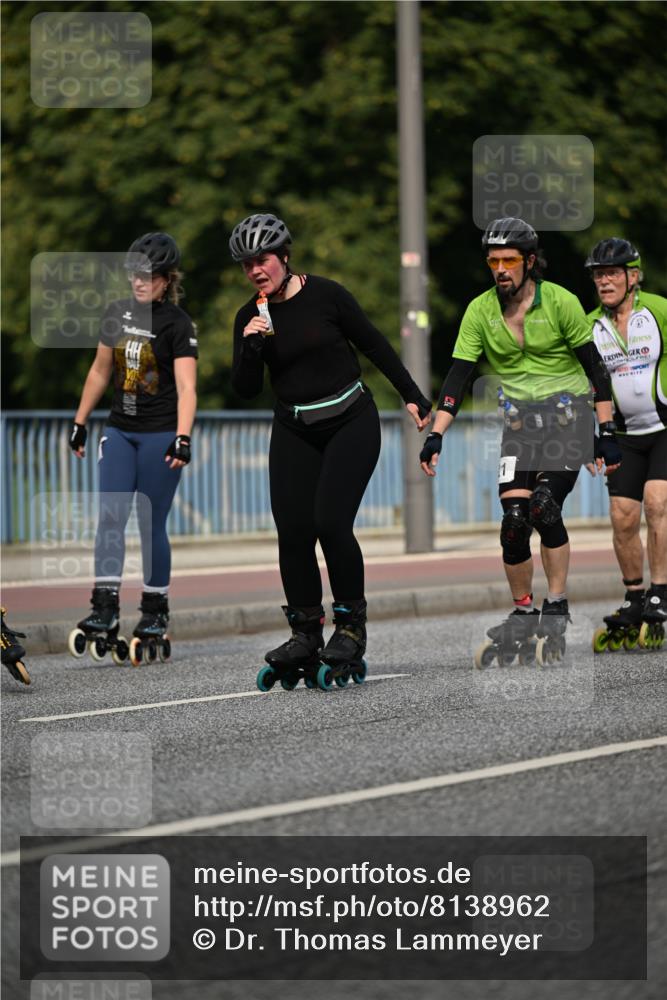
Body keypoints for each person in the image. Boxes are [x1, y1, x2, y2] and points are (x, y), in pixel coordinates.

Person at [229, 212, 432, 690]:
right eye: (247, 264)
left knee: (330, 523)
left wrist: (412, 394)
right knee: (293, 531)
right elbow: (245, 388)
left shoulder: (327, 295)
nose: (256, 270)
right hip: (295, 427)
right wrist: (251, 347)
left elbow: (374, 345)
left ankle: (350, 628)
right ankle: (304, 633)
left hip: (350, 421)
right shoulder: (249, 317)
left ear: (284, 256)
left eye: (263, 260)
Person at [419, 217, 621, 667]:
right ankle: (523, 612)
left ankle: (557, 605)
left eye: (509, 260)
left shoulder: (561, 302)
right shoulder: (480, 311)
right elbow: (458, 378)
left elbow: (596, 370)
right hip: (520, 426)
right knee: (514, 522)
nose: (500, 269)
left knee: (544, 507)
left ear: (530, 261)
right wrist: (436, 434)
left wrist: (605, 433)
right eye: (493, 261)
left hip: (568, 421)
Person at [68, 232, 198, 666]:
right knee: (110, 516)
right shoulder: (116, 313)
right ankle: (104, 608)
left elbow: (187, 387)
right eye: (134, 274)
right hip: (120, 431)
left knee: (150, 523)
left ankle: (155, 612)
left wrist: (183, 437)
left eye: (149, 276)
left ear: (166, 279)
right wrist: (80, 422)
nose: (139, 282)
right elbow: (99, 370)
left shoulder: (178, 323)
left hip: (161, 435)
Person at [584, 238, 667, 651]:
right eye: (598, 275)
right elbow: (578, 384)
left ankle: (660, 593)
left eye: (611, 274)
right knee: (622, 517)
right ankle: (635, 597)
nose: (604, 282)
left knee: (656, 502)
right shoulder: (589, 326)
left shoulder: (659, 310)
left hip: (664, 428)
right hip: (623, 436)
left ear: (633, 277)